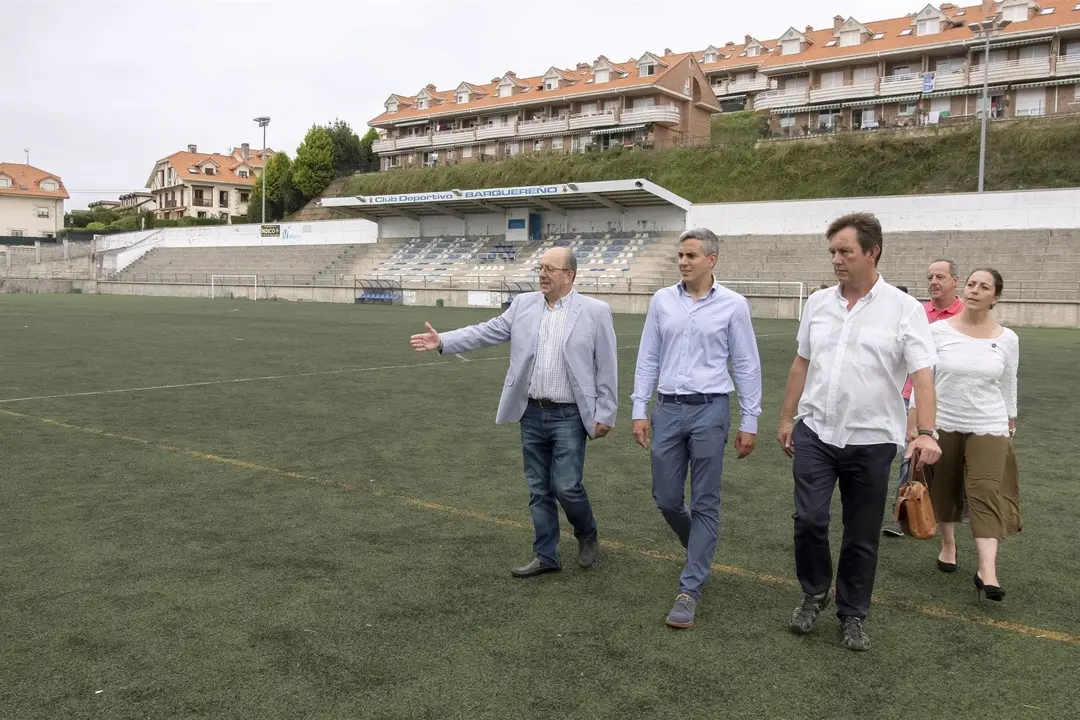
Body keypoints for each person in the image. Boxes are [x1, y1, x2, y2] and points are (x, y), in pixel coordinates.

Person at [776, 212, 942, 651]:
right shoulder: (818, 303)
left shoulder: (905, 310)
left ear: (873, 252)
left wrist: (926, 431)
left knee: (861, 533)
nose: (836, 259)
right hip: (816, 431)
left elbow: (924, 374)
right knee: (808, 519)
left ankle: (853, 613)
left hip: (872, 440)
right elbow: (802, 363)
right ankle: (814, 592)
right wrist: (787, 418)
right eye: (832, 251)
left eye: (845, 251)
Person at [409, 247, 618, 577]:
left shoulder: (595, 311)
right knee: (538, 489)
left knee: (566, 486)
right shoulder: (524, 305)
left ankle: (586, 533)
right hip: (531, 412)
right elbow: (486, 331)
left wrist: (605, 412)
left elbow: (606, 365)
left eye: (551, 268)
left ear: (569, 276)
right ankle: (547, 555)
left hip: (570, 416)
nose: (543, 274)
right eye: (540, 267)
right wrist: (443, 341)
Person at [631, 227, 762, 629]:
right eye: (680, 256)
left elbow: (745, 363)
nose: (684, 262)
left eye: (691, 256)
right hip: (668, 410)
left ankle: (689, 590)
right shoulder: (662, 301)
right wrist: (639, 406)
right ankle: (699, 550)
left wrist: (750, 418)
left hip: (711, 410)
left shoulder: (734, 305)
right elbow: (648, 355)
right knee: (667, 498)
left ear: (712, 259)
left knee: (706, 501)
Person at [910, 268, 1020, 602]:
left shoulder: (1008, 339)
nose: (974, 290)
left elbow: (1008, 383)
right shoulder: (937, 331)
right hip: (943, 422)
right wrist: (915, 424)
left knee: (985, 490)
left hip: (989, 424)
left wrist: (1010, 422)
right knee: (944, 487)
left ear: (995, 297)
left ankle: (987, 571)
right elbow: (922, 379)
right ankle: (948, 545)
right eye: (971, 284)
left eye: (983, 287)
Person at [882, 259, 965, 537]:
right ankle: (903, 514)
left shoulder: (965, 315)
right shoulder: (916, 312)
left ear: (956, 280)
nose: (933, 282)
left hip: (952, 399)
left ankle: (955, 507)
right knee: (910, 453)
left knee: (954, 455)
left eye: (940, 276)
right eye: (929, 276)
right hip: (911, 393)